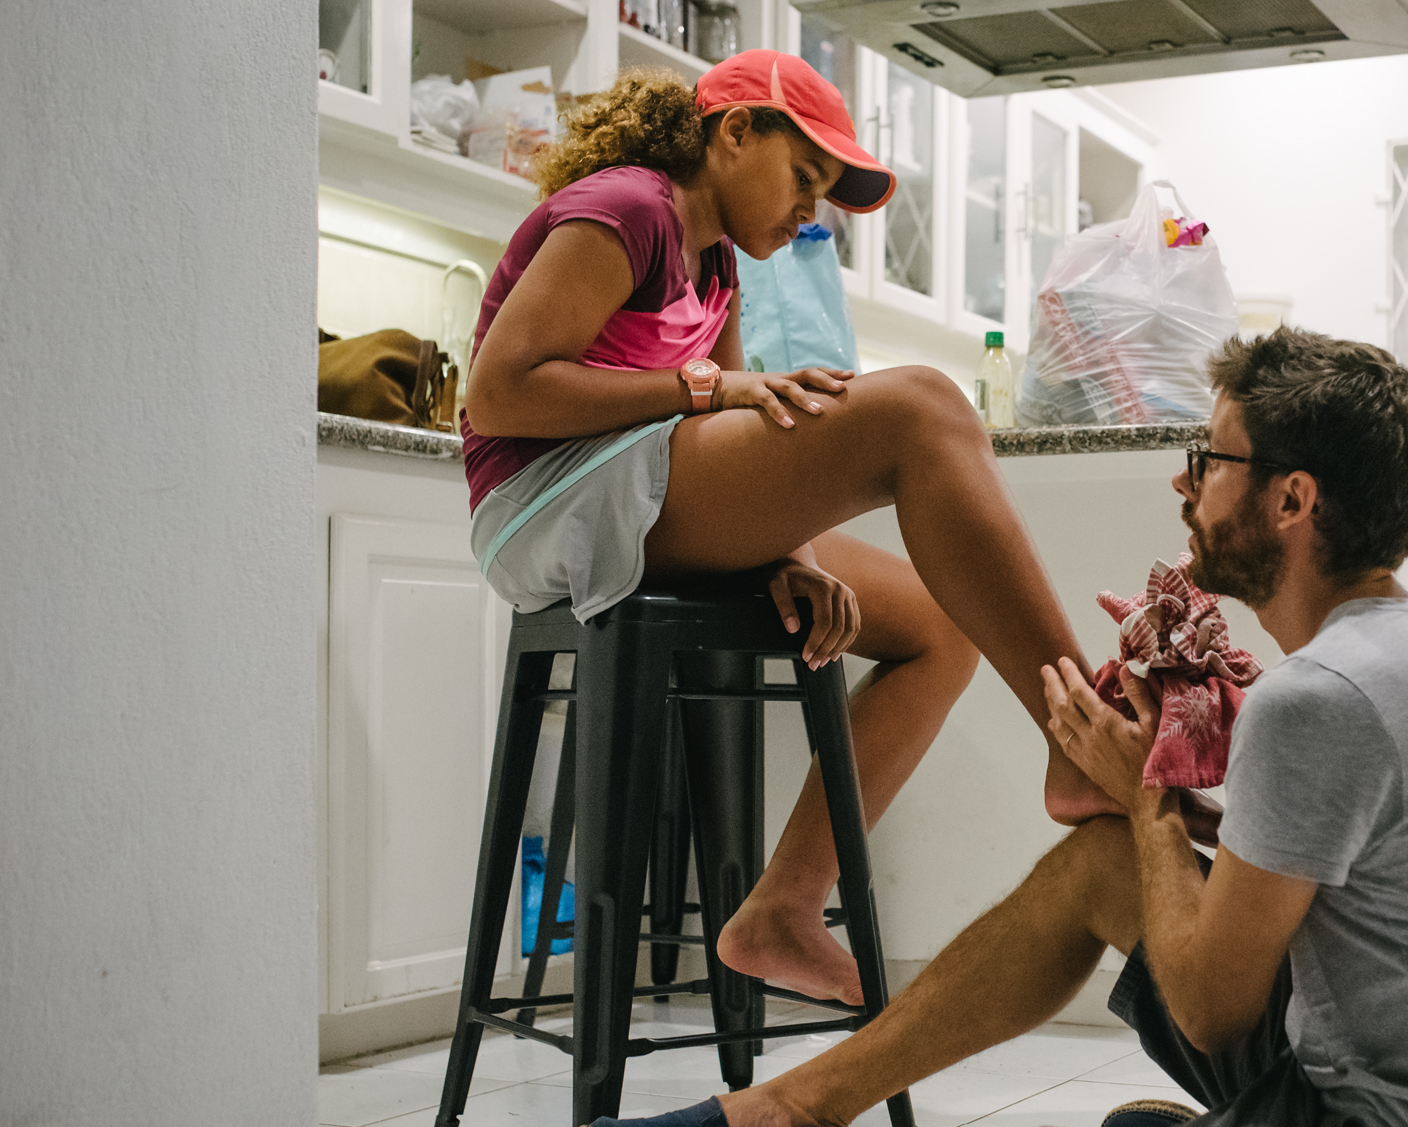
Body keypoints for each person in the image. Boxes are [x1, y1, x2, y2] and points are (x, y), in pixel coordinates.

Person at [570, 328, 1408, 1127]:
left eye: (1209, 458)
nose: (1183, 483)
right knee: (1104, 864)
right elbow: (1130, 838)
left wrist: (1151, 796)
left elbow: (1208, 1011)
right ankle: (796, 1115)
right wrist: (1159, 770)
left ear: (1292, 499)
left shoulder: (1325, 701)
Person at [460, 50, 1122, 1009]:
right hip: (541, 499)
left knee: (938, 631)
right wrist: (705, 384)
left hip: (639, 490)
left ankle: (784, 909)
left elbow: (734, 429)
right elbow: (499, 393)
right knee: (927, 406)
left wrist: (790, 553)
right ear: (734, 132)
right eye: (804, 179)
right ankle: (1081, 728)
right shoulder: (630, 209)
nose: (812, 213)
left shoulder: (716, 258)